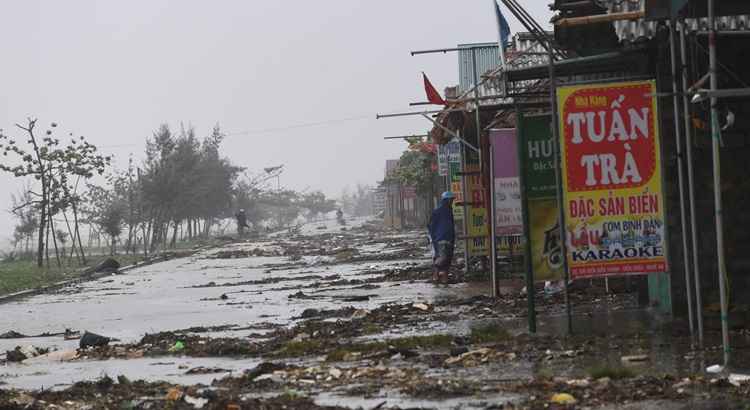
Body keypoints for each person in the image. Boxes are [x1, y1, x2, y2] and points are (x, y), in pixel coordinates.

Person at [428, 191, 456, 284]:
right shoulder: (440, 211)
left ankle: (443, 278)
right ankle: (437, 275)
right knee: (443, 258)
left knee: (447, 259)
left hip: (447, 238)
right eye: (451, 199)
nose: (452, 201)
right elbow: (431, 226)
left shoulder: (448, 210)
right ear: (447, 200)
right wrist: (434, 238)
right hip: (442, 238)